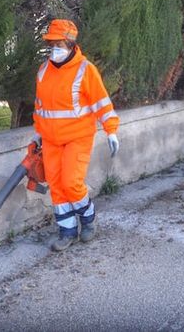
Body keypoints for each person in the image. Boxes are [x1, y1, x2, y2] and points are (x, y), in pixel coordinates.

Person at [31, 19, 120, 252]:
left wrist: (111, 130)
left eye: (58, 43)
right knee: (57, 186)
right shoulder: (43, 71)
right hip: (51, 140)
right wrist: (38, 134)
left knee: (71, 183)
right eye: (51, 44)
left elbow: (102, 102)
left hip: (77, 137)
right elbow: (40, 106)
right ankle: (67, 231)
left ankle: (88, 219)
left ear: (71, 44)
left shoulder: (85, 70)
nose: (54, 49)